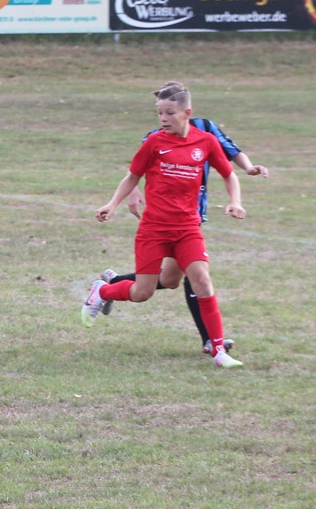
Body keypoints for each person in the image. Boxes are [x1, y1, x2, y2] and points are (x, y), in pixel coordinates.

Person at [100, 82, 271, 355]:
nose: (163, 118)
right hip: (159, 221)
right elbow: (135, 173)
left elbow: (230, 155)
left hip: (191, 217)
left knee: (180, 278)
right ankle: (210, 340)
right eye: (160, 112)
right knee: (181, 280)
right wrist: (123, 199)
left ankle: (115, 282)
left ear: (186, 110)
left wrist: (246, 175)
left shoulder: (206, 130)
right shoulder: (154, 139)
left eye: (169, 112)